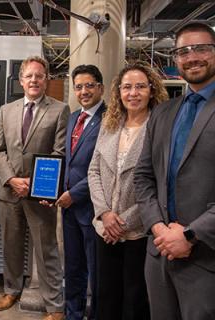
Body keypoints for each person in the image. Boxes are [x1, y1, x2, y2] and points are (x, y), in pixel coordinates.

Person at [134, 22, 215, 320]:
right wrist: (159, 229)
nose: (192, 56)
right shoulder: (164, 112)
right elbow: (142, 177)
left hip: (206, 258)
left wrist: (190, 235)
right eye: (183, 51)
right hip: (159, 255)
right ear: (175, 59)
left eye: (202, 48)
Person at [88, 61, 168, 320]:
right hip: (105, 229)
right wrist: (104, 214)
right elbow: (94, 171)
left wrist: (122, 222)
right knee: (106, 296)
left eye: (140, 87)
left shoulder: (160, 128)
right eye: (127, 87)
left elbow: (158, 182)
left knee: (135, 300)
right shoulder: (109, 124)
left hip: (139, 231)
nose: (133, 93)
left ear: (152, 90)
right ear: (118, 92)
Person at [0, 55, 70, 320]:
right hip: (9, 192)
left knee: (46, 250)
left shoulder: (60, 110)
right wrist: (12, 179)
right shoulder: (7, 110)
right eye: (29, 76)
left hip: (40, 195)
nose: (34, 80)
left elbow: (59, 153)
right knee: (11, 246)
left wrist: (34, 184)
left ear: (46, 80)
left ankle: (54, 305)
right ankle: (11, 290)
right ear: (21, 80)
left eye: (39, 75)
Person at [59, 64, 105, 320]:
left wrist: (74, 194)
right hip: (68, 210)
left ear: (100, 87)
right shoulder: (74, 117)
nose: (84, 91)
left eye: (89, 85)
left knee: (96, 271)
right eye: (79, 87)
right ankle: (73, 314)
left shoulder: (110, 117)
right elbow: (69, 160)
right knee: (73, 267)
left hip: (93, 208)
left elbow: (103, 168)